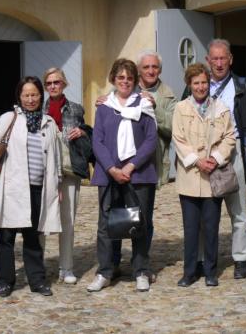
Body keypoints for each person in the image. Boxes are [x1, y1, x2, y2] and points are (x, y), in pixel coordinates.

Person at [0, 76, 62, 298]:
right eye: (26, 95)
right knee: (6, 236)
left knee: (33, 237)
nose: (31, 99)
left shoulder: (48, 123)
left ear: (40, 95)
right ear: (20, 97)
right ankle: (5, 281)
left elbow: (56, 157)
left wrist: (57, 183)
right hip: (13, 188)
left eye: (34, 94)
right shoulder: (9, 118)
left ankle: (37, 280)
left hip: (37, 188)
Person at [88, 59, 158, 293]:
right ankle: (106, 270)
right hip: (109, 175)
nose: (125, 82)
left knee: (140, 223)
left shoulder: (145, 104)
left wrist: (130, 167)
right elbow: (97, 140)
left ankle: (140, 270)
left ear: (135, 80)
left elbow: (150, 140)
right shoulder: (104, 106)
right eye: (121, 78)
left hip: (138, 175)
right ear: (113, 80)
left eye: (129, 78)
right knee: (107, 224)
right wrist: (112, 168)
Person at [203, 38, 246, 279]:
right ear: (208, 60)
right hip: (204, 152)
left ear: (230, 59)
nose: (219, 63)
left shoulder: (243, 87)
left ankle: (241, 257)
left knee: (238, 209)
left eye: (223, 58)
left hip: (234, 150)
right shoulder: (197, 84)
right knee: (206, 211)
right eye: (214, 58)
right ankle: (205, 259)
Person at [172, 63, 236, 287]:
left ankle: (210, 270)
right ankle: (189, 271)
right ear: (189, 85)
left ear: (209, 84)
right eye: (196, 82)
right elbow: (178, 139)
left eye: (204, 82)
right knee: (190, 228)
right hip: (190, 175)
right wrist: (197, 160)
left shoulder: (221, 108)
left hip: (213, 176)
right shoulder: (181, 108)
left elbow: (230, 137)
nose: (200, 87)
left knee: (211, 226)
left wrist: (216, 158)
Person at [43, 67, 90, 285]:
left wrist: (83, 132)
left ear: (64, 84)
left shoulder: (76, 109)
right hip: (43, 173)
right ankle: (39, 267)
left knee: (67, 220)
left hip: (69, 170)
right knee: (41, 222)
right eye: (49, 83)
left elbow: (88, 134)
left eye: (57, 82)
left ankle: (66, 267)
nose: (53, 86)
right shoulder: (37, 109)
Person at [136, 50, 178, 187]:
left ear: (160, 70)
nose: (151, 71)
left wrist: (155, 108)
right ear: (138, 69)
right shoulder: (125, 87)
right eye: (146, 67)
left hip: (155, 164)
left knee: (148, 206)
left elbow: (174, 128)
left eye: (155, 67)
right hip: (127, 160)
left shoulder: (169, 94)